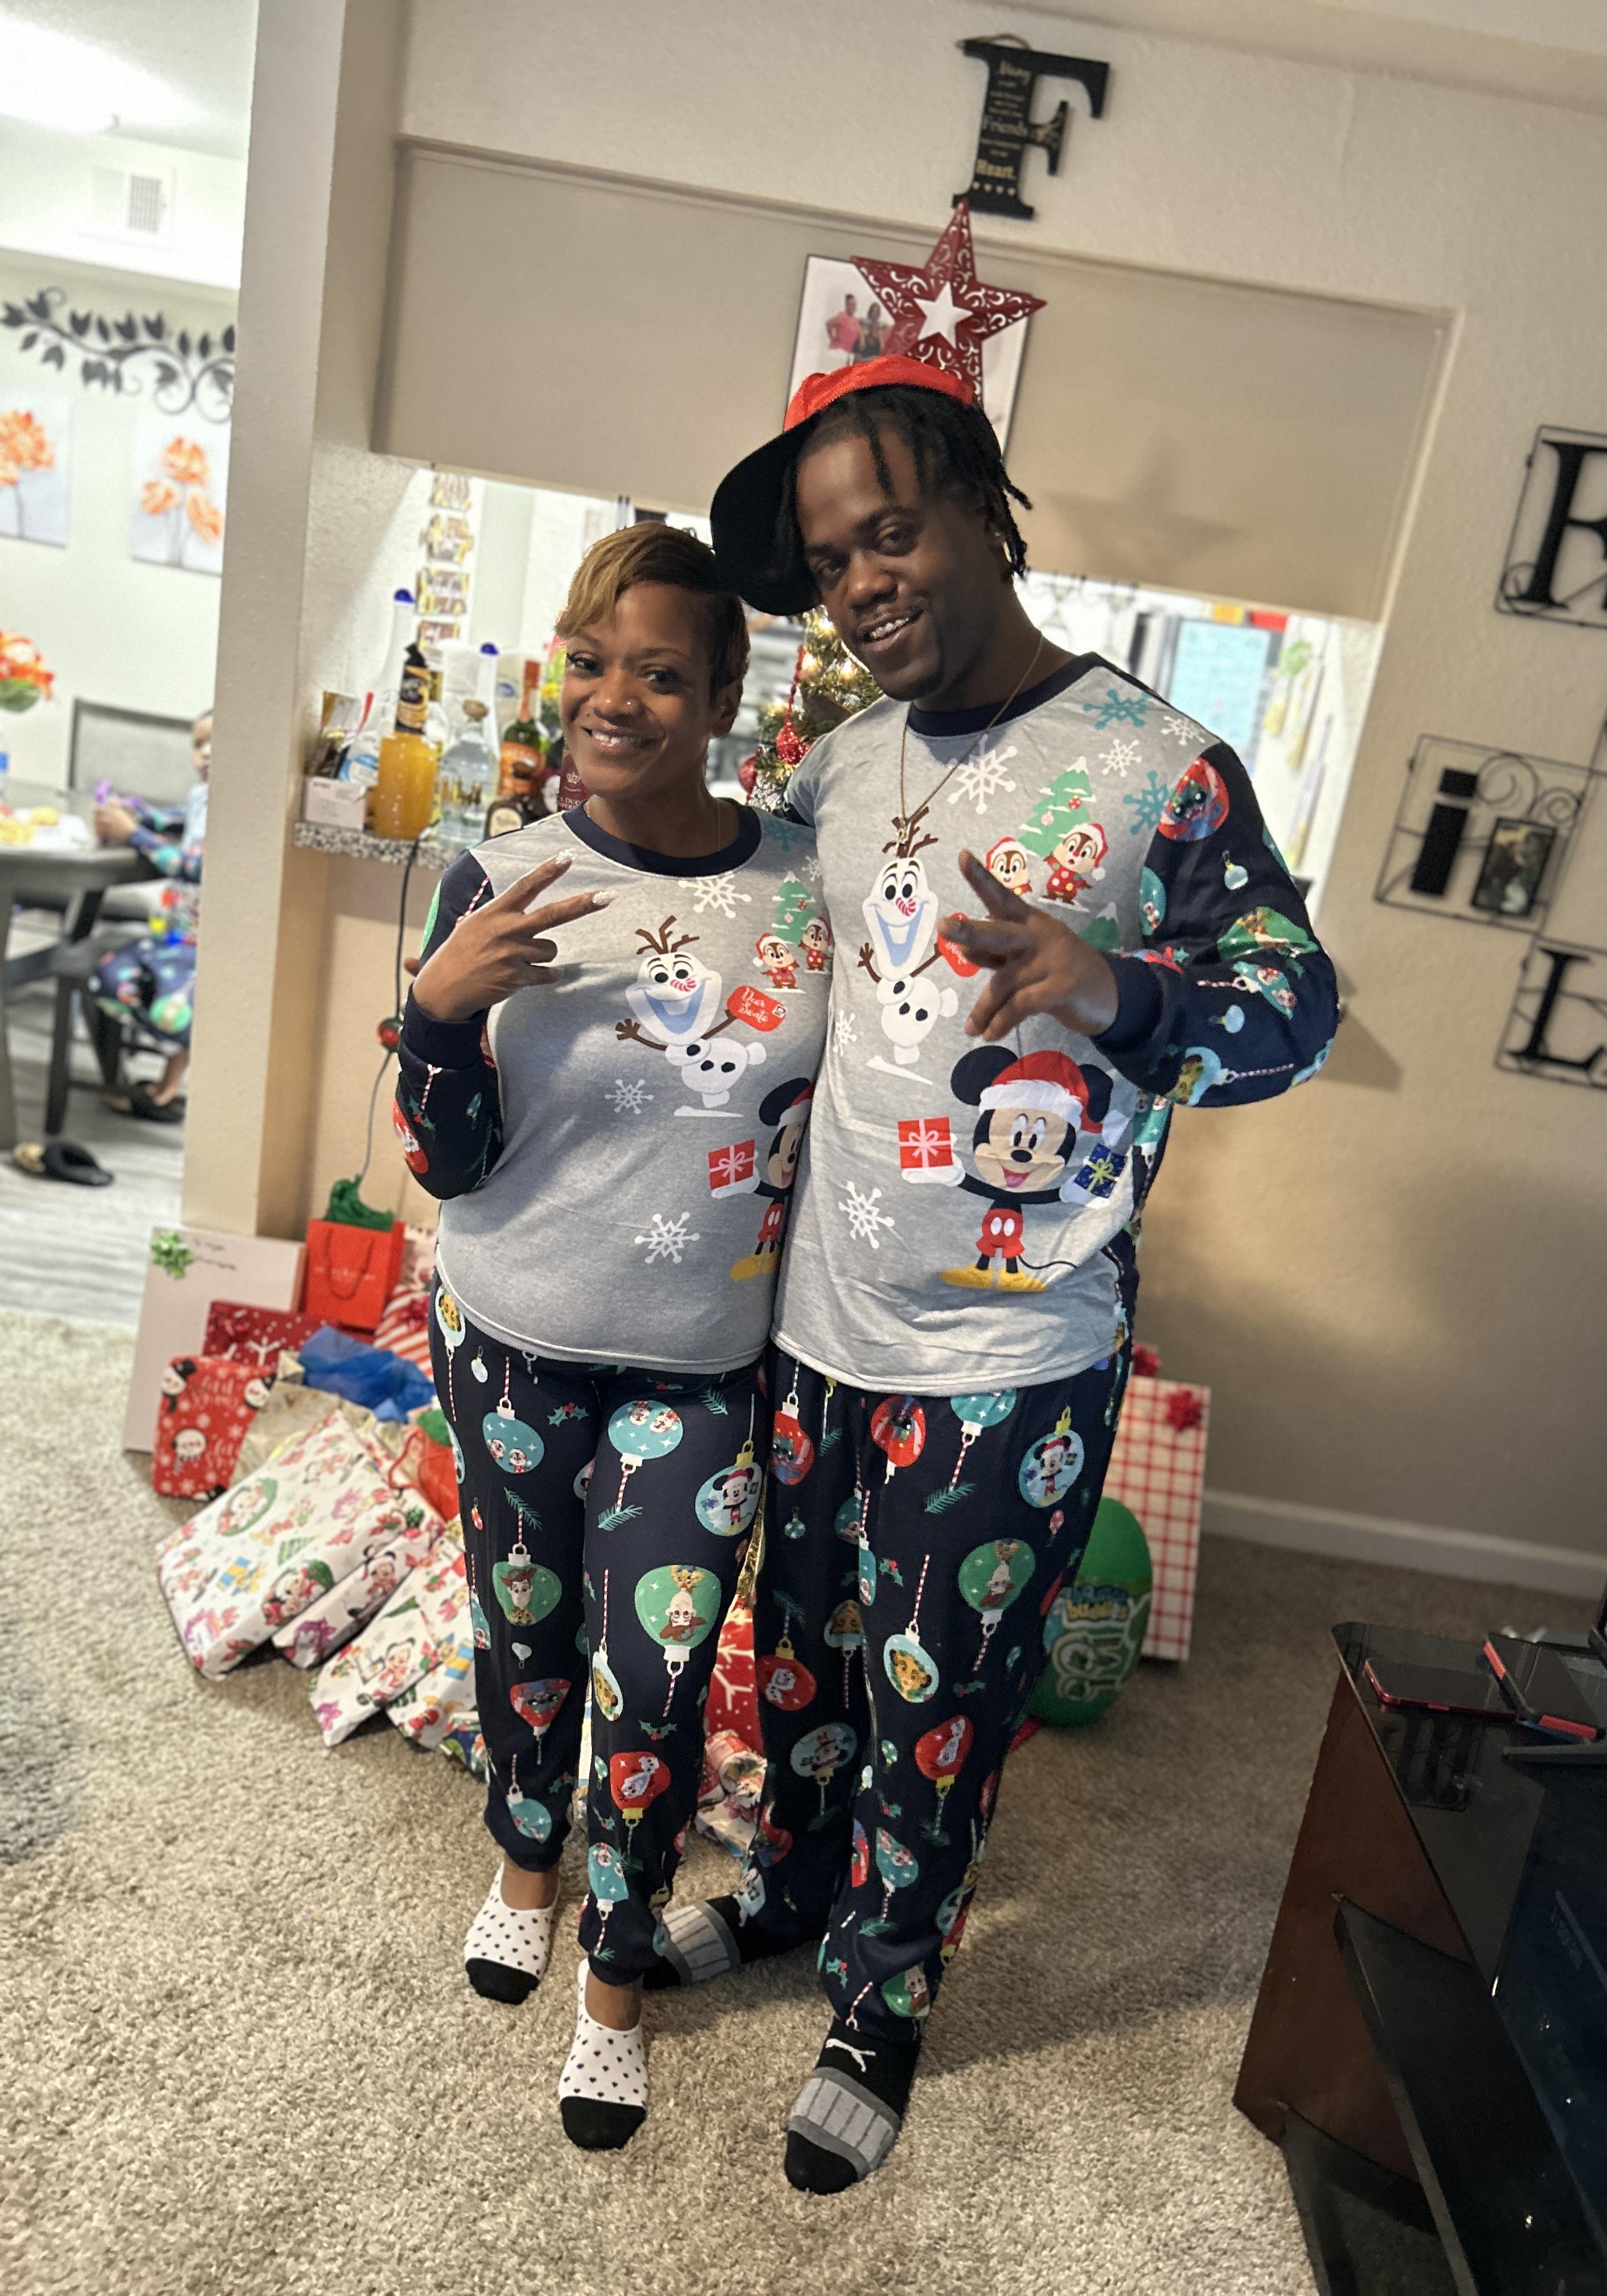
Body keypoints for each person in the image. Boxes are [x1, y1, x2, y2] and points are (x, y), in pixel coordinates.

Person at [643, 354, 1338, 2192]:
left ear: (977, 503)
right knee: (802, 1659)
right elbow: (759, 968)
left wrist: (1119, 990)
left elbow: (1296, 1008)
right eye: (829, 562)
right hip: (818, 1324)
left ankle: (881, 2003)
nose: (862, 586)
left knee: (937, 1702)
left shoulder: (1160, 769)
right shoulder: (837, 764)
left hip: (1014, 1355)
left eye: (890, 532)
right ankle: (791, 1888)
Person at [394, 523, 829, 2150]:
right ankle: (526, 1866)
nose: (613, 699)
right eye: (591, 662)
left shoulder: (804, 884)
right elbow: (448, 1162)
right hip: (513, 1334)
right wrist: (439, 1010)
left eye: (658, 670)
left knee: (655, 1677)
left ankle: (617, 1974)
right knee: (523, 1626)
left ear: (722, 694)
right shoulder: (493, 872)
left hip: (704, 1363)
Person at [88, 708, 211, 1118]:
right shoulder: (201, 796)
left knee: (164, 1002)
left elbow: (195, 867)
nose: (206, 752)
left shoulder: (240, 807)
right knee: (112, 975)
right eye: (198, 743)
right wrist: (136, 812)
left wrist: (133, 834)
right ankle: (166, 1076)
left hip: (209, 940)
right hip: (177, 930)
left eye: (218, 741)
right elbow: (173, 818)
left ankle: (169, 1079)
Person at [824, 292, 860, 363]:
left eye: (855, 305)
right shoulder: (842, 317)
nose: (853, 307)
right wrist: (832, 338)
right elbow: (829, 324)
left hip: (848, 353)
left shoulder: (855, 320)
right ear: (846, 305)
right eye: (851, 305)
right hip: (838, 351)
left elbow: (859, 332)